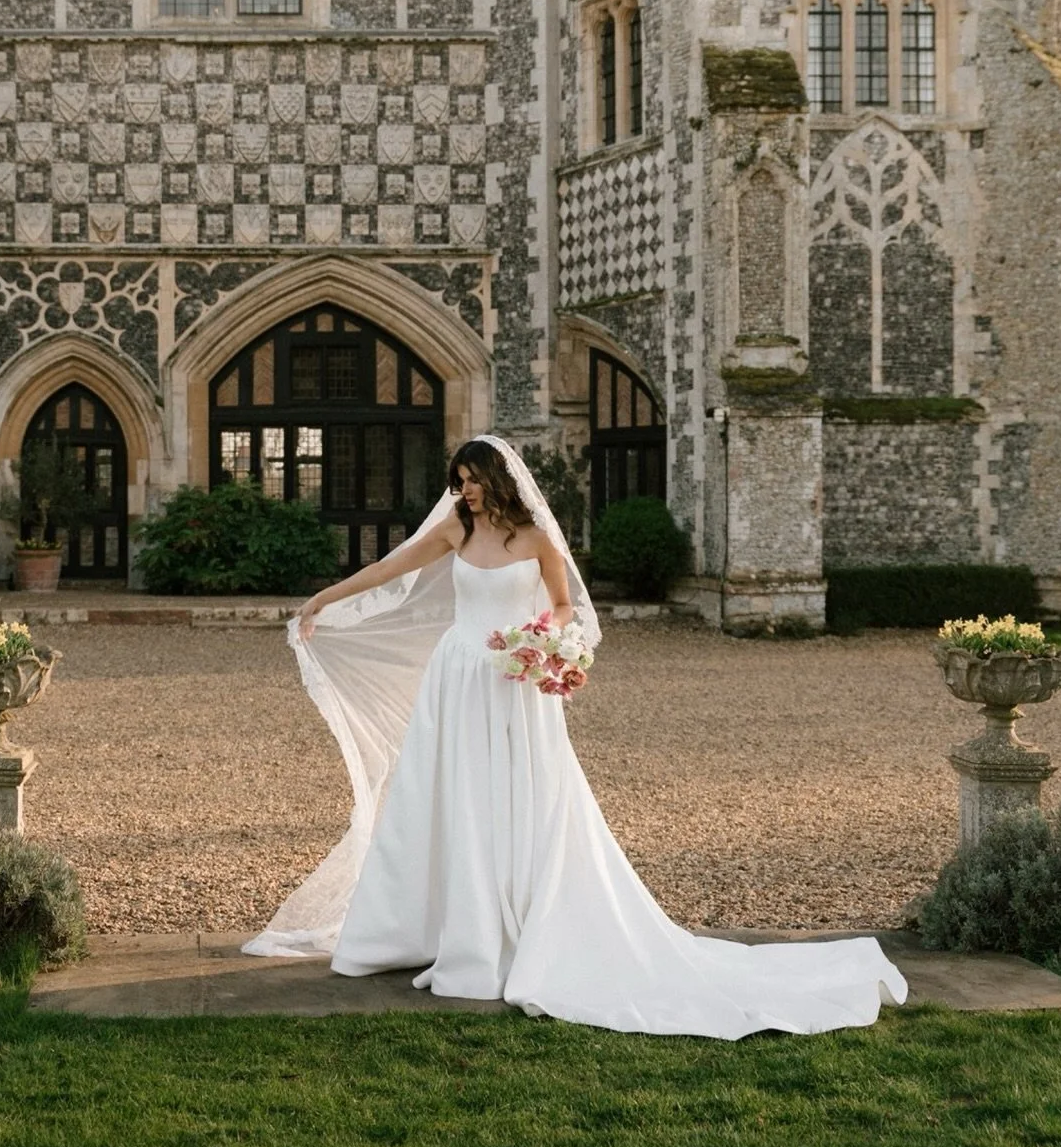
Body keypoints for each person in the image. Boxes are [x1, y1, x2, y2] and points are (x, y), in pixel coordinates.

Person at [244, 434, 908, 1038]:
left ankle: (520, 926)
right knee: (450, 798)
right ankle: (438, 928)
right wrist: (322, 600)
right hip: (459, 677)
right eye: (459, 481)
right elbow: (389, 569)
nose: (465, 491)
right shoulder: (454, 529)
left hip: (514, 681)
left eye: (474, 480)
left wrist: (543, 640)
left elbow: (565, 607)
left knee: (525, 800)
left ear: (500, 480)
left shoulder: (537, 538)